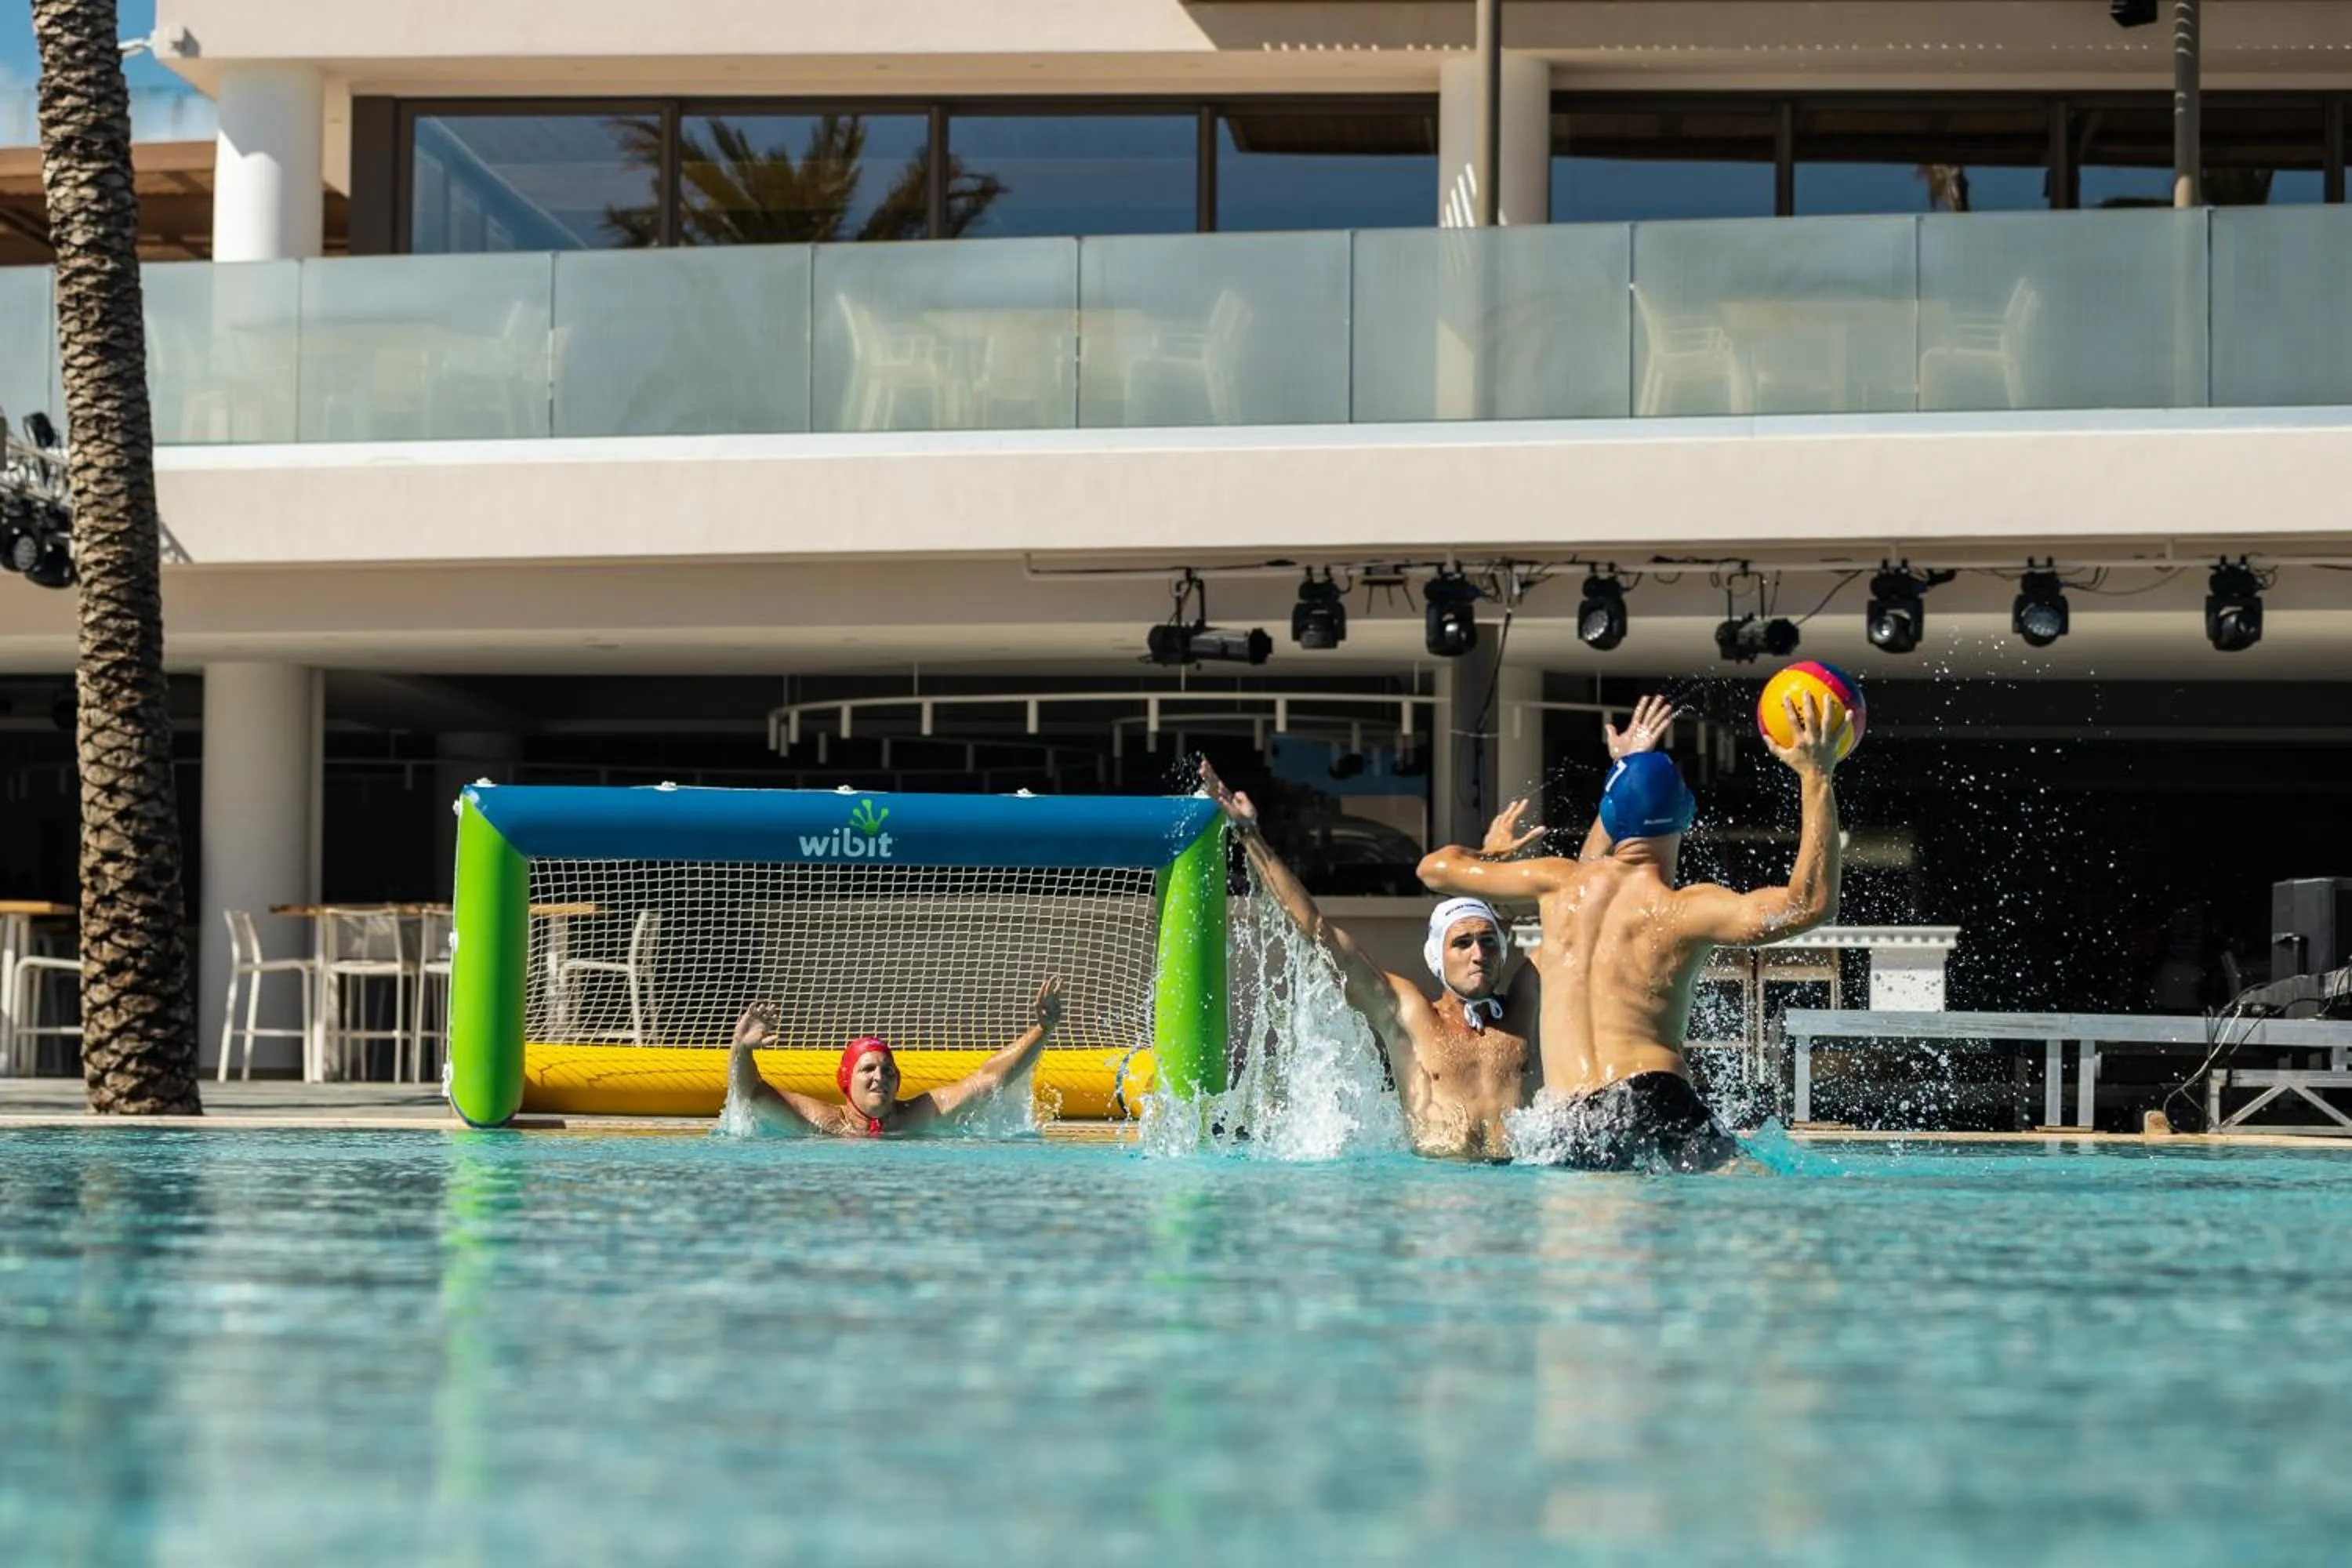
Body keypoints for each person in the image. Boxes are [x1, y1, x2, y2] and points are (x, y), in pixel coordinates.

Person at [1195, 700, 1675, 1160]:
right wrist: (1249, 835)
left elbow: (1587, 895)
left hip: (1519, 1192)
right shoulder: (1407, 1012)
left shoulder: (1525, 1006)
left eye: (1488, 941)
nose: (1477, 953)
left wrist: (1629, 776)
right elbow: (1316, 928)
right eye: (1461, 942)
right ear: (1435, 956)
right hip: (1436, 1192)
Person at [1417, 691, 1849, 1172]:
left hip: (1564, 1120)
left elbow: (1435, 869)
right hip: (1649, 1096)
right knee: (1756, 1186)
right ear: (1686, 817)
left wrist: (1493, 856)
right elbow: (1809, 905)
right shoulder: (1683, 908)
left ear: (1612, 819)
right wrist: (1816, 775)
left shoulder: (1561, 885)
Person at [724, 976, 1065, 1137]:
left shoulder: (920, 1114)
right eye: (868, 1069)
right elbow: (751, 1093)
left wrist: (1042, 1030)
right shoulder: (824, 1122)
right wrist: (741, 1047)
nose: (879, 1077)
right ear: (846, 1080)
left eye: (888, 1071)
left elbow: (989, 1079)